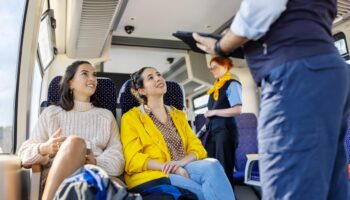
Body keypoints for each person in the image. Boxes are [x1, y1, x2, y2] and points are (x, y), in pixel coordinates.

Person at [193, 0, 350, 199]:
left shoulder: (231, 85)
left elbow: (263, 5)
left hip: (295, 75)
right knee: (330, 182)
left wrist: (221, 45)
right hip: (326, 69)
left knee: (289, 187)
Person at [121, 67, 235, 200]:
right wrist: (171, 168)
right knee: (205, 194)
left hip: (184, 166)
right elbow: (133, 160)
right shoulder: (131, 118)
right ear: (142, 90)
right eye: (150, 77)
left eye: (159, 74)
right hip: (155, 173)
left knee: (213, 165)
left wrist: (180, 163)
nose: (158, 78)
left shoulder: (178, 115)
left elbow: (198, 149)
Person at [18, 61, 125, 200]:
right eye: (85, 74)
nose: (93, 79)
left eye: (94, 75)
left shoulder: (106, 116)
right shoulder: (51, 113)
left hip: (96, 179)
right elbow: (24, 154)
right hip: (59, 181)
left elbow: (118, 161)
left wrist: (95, 162)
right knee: (76, 143)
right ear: (70, 83)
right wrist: (46, 148)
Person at [204, 56, 242, 188]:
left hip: (225, 132)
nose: (212, 70)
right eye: (211, 68)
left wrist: (214, 112)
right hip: (213, 132)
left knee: (224, 169)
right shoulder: (214, 89)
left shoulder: (232, 84)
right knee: (211, 169)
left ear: (225, 67)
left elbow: (237, 110)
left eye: (215, 67)